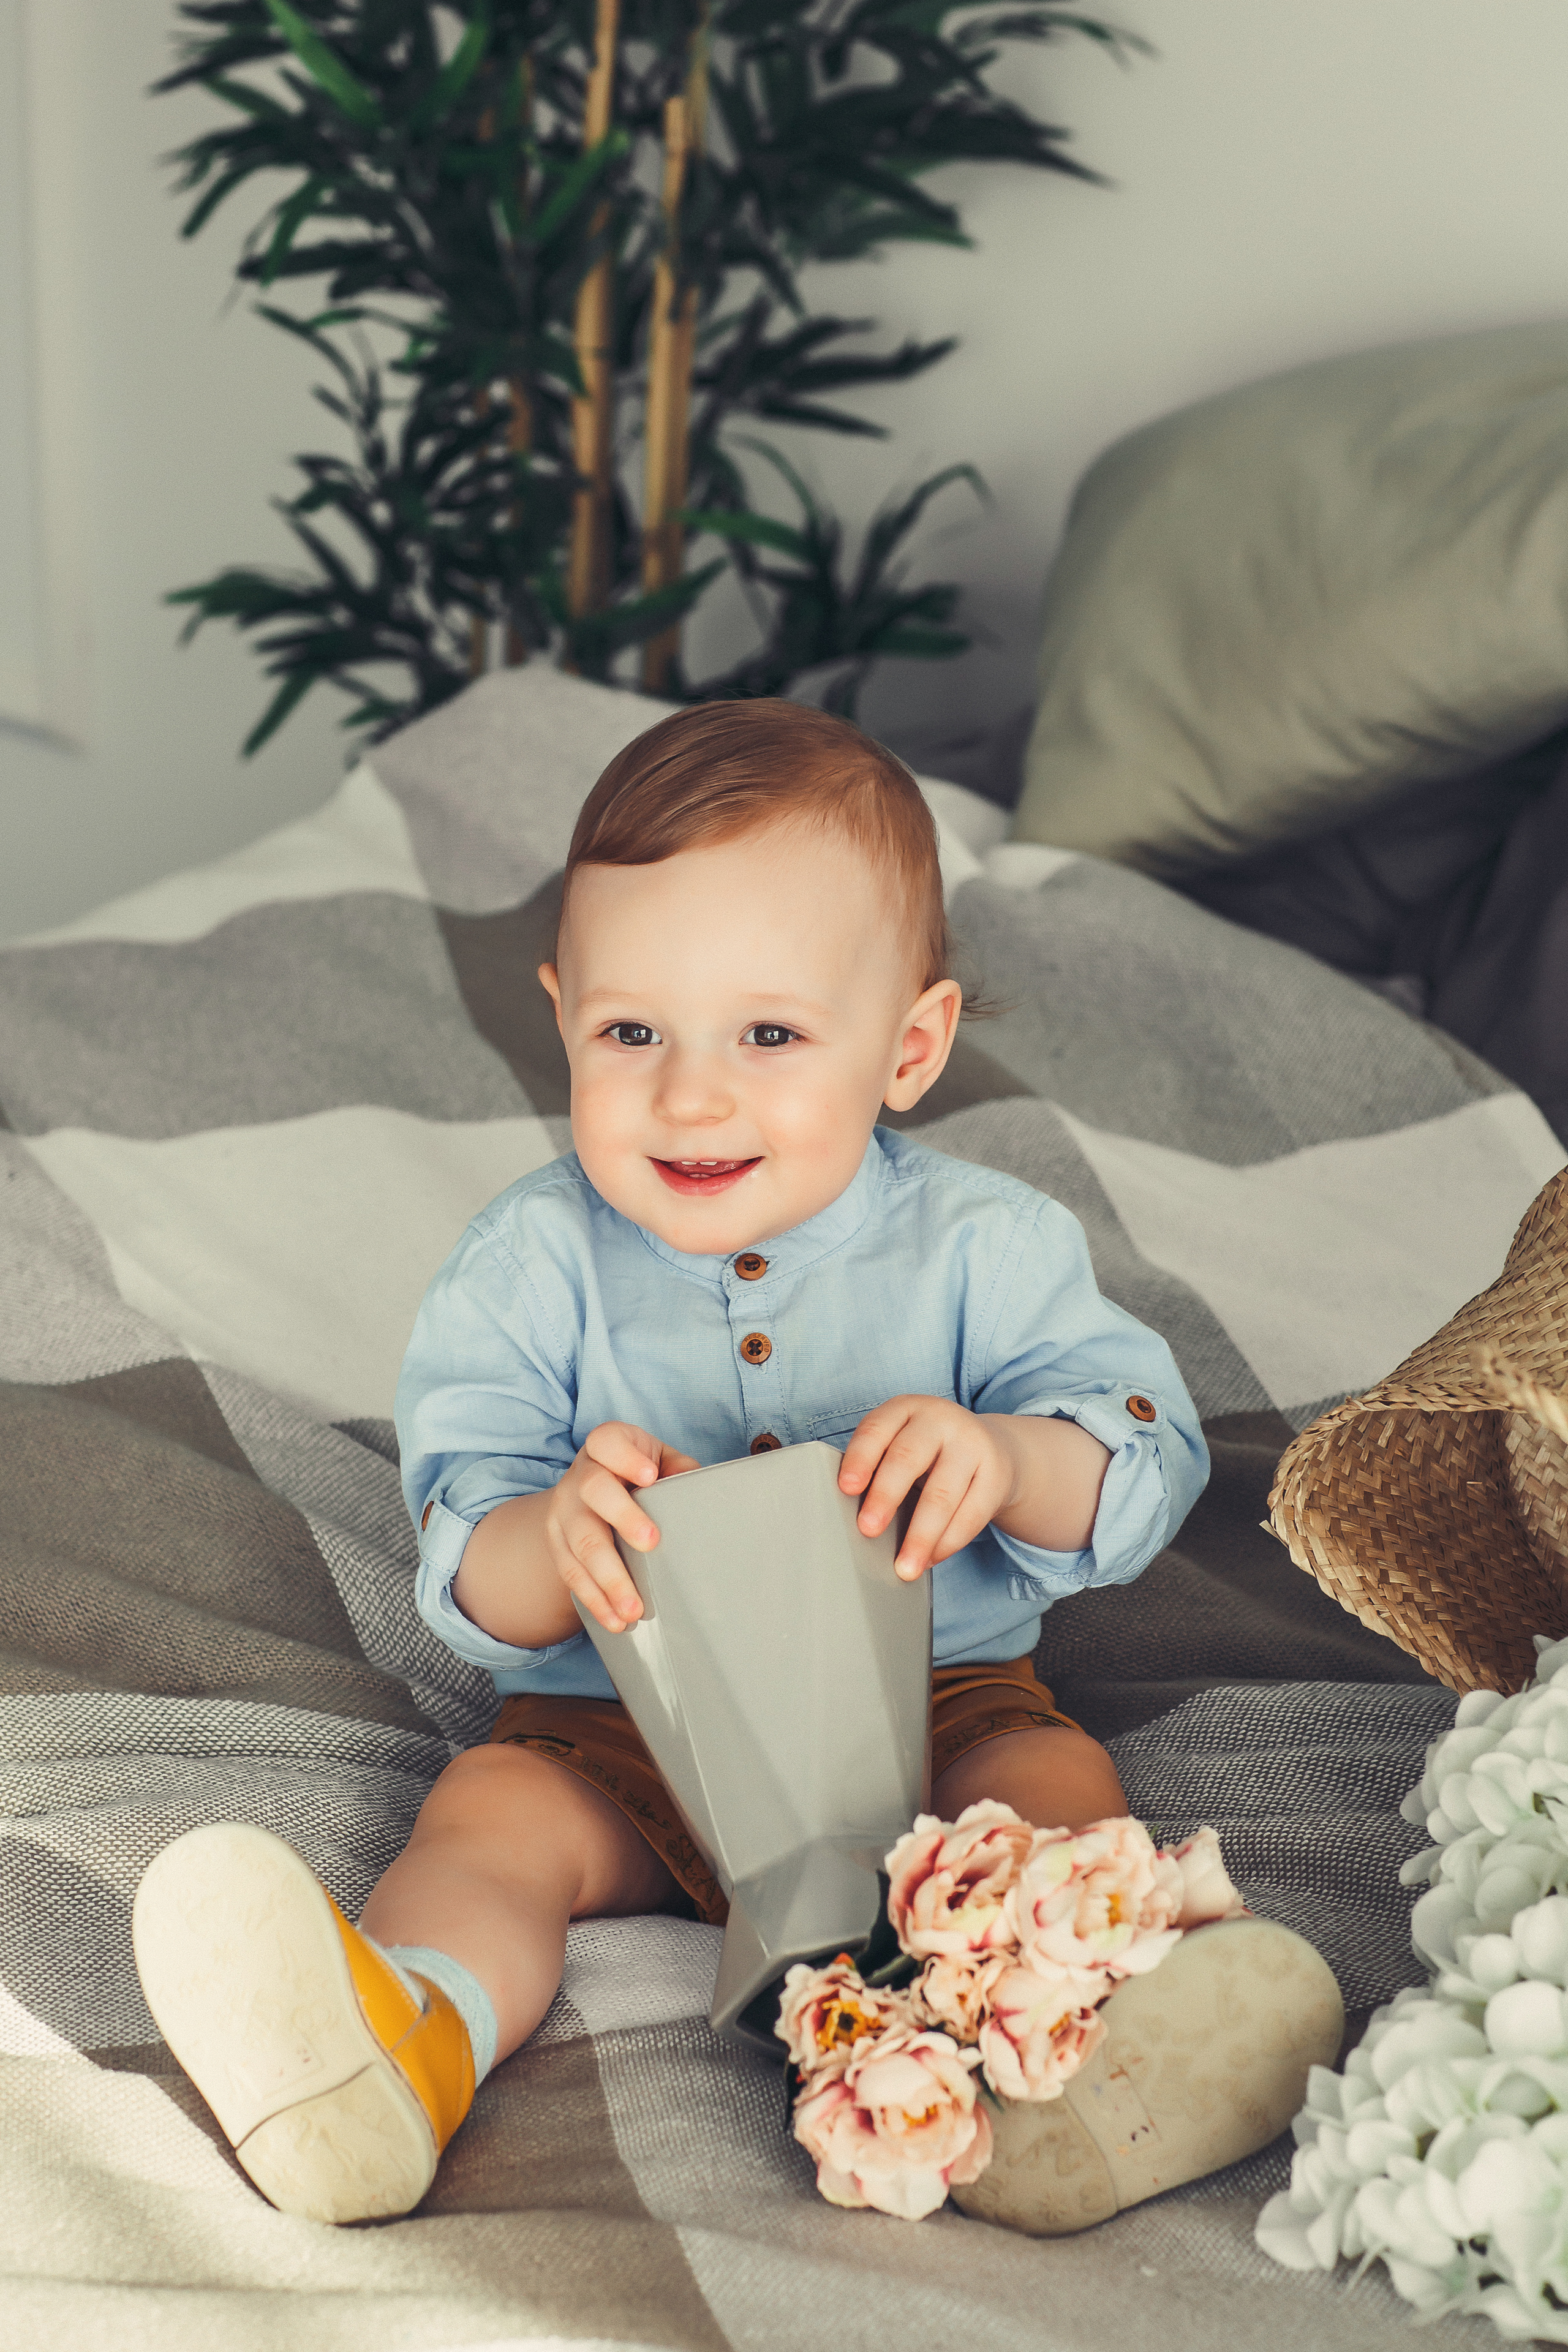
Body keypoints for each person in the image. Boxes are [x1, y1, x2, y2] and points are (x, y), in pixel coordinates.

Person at [132, 698, 1212, 2226]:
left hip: (936, 1716)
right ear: (563, 1013)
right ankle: (401, 2046)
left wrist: (1005, 1458)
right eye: (630, 1032)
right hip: (614, 1728)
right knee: (488, 1827)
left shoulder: (988, 1247)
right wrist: (551, 1535)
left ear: (908, 1049)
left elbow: (1145, 1459)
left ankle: (1067, 2071)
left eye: (768, 1035)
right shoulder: (529, 1262)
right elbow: (461, 1543)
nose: (688, 1094)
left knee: (1051, 1796)